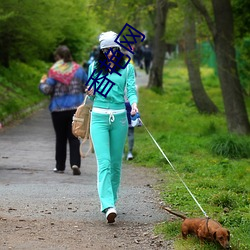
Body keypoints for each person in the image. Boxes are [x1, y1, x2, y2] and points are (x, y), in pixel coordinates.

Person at [86, 31, 138, 223]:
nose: (110, 54)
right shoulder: (94, 67)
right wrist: (90, 92)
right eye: (106, 50)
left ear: (118, 49)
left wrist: (134, 104)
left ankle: (112, 201)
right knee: (105, 163)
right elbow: (91, 97)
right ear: (102, 51)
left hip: (120, 118)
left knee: (116, 164)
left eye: (113, 50)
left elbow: (131, 90)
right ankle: (108, 205)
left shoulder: (127, 68)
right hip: (98, 118)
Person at [39, 45, 87, 175]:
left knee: (60, 138)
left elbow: (47, 90)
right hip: (75, 109)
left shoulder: (54, 71)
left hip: (58, 109)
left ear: (58, 57)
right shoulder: (79, 70)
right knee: (74, 136)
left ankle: (60, 167)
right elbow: (86, 87)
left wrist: (42, 83)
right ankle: (75, 163)